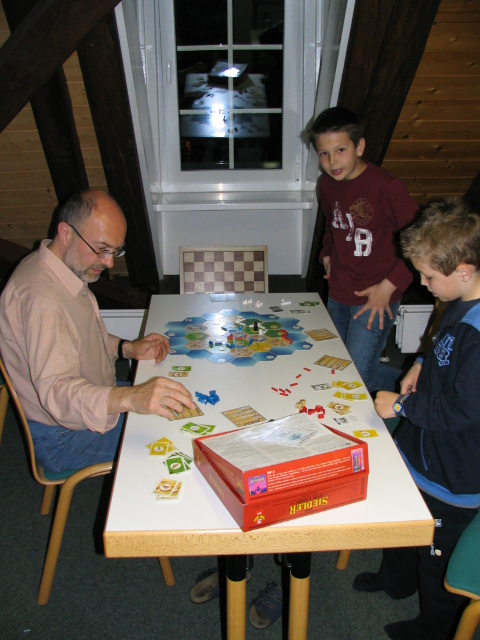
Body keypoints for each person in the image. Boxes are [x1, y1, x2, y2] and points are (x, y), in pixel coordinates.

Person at [353, 197, 480, 640]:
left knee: (436, 561)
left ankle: (434, 627)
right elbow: (441, 340)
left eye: (428, 276)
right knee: (402, 522)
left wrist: (401, 406)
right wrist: (421, 364)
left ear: (462, 270)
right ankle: (394, 581)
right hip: (423, 452)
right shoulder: (461, 298)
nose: (422, 284)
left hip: (455, 474)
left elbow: (465, 410)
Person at [0, 190, 195, 474]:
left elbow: (78, 339)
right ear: (66, 233)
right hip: (63, 438)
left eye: (115, 251)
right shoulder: (43, 301)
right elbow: (57, 393)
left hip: (89, 404)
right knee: (181, 439)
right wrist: (129, 398)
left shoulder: (57, 269)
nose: (109, 263)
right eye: (101, 249)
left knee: (180, 404)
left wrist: (127, 348)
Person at [309, 106, 419, 392]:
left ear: (359, 146)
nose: (332, 161)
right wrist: (327, 256)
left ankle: (421, 386)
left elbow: (421, 243)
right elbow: (333, 229)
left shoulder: (387, 186)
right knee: (338, 364)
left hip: (376, 297)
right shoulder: (325, 185)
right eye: (324, 153)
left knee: (358, 377)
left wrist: (388, 287)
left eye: (341, 150)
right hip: (339, 292)